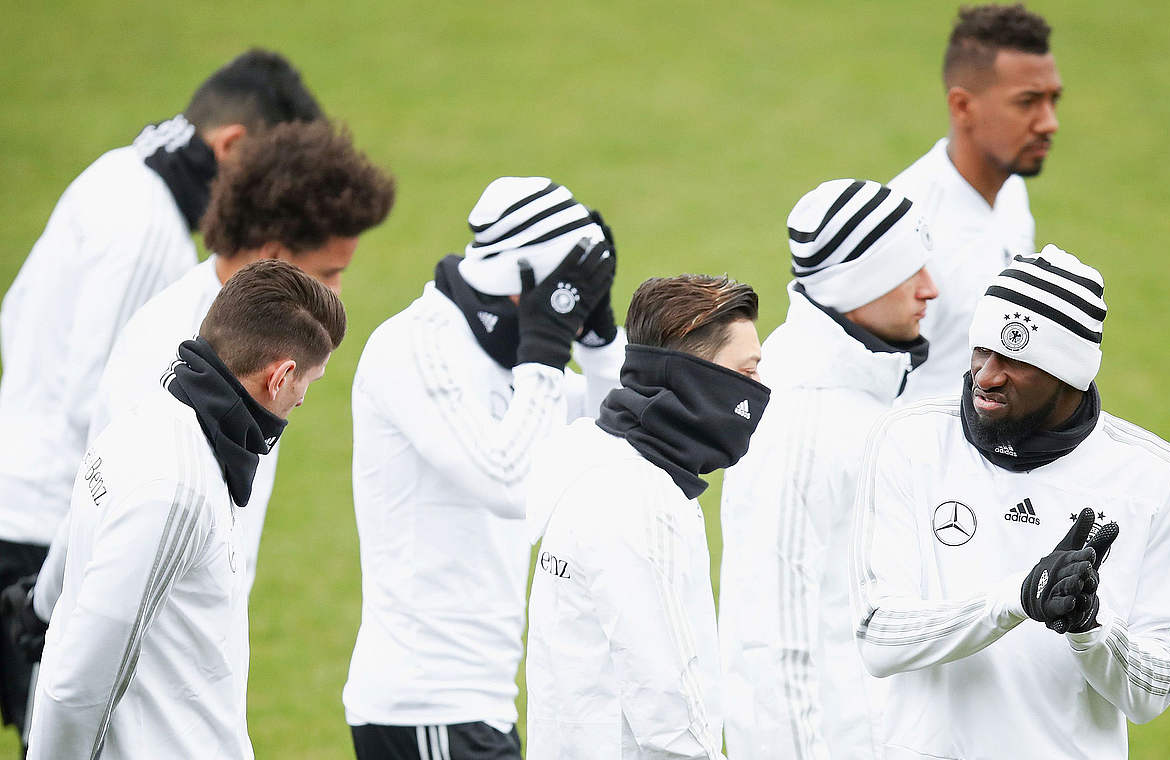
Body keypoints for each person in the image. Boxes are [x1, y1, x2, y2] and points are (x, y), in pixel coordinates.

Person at [0, 48, 323, 746]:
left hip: (33, 509)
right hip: (56, 530)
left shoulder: (112, 174)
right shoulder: (149, 234)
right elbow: (104, 408)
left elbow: (16, 312)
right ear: (233, 147)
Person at [851, 246, 1170, 759]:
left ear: (1069, 375)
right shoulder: (910, 440)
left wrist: (1090, 630)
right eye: (981, 351)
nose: (986, 376)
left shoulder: (1155, 477)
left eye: (1015, 359)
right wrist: (1015, 600)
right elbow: (879, 636)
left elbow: (1153, 692)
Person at [342, 176, 624, 760]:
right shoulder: (416, 347)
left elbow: (619, 451)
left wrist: (598, 342)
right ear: (523, 281)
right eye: (565, 291)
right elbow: (511, 484)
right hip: (425, 706)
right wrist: (547, 350)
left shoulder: (517, 360)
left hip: (481, 704)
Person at [26, 259, 347, 759]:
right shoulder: (178, 488)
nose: (303, 400)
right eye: (310, 380)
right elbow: (78, 684)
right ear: (282, 375)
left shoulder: (153, 416)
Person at [718, 178, 937, 760]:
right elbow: (765, 639)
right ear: (857, 284)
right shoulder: (802, 422)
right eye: (907, 270)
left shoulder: (863, 396)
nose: (930, 289)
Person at [524, 274, 768, 760]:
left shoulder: (601, 461)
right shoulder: (638, 497)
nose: (760, 391)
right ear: (695, 378)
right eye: (747, 371)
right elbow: (667, 703)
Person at [887, 4, 1059, 401]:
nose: (1050, 122)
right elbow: (879, 390)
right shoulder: (907, 230)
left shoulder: (1010, 187)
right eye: (1027, 102)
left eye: (1053, 100)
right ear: (963, 106)